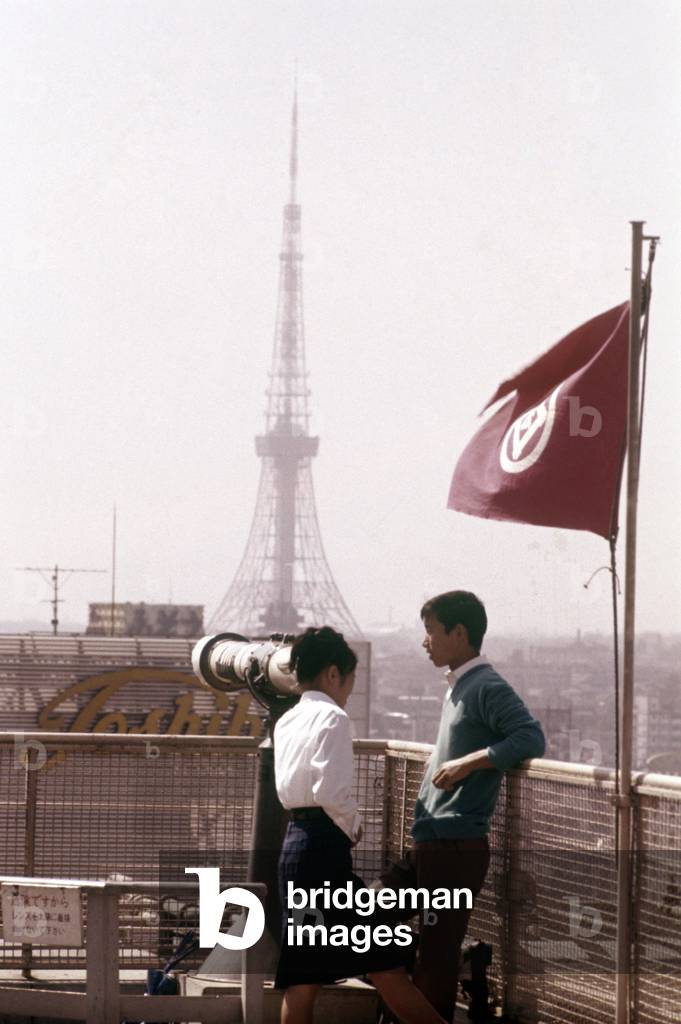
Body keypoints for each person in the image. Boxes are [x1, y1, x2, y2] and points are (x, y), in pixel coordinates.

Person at [383, 590, 545, 1023]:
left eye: (431, 632)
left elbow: (530, 738)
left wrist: (465, 765)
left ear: (459, 633)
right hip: (433, 844)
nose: (425, 642)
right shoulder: (460, 686)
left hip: (454, 845)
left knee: (435, 956)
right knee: (371, 927)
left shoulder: (485, 686)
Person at [273, 625, 448, 1024]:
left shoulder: (286, 721)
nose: (348, 691)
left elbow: (289, 789)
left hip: (294, 848)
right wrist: (353, 825)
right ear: (334, 674)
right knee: (385, 963)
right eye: (350, 681)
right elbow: (331, 790)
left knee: (303, 974)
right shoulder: (333, 718)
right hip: (323, 850)